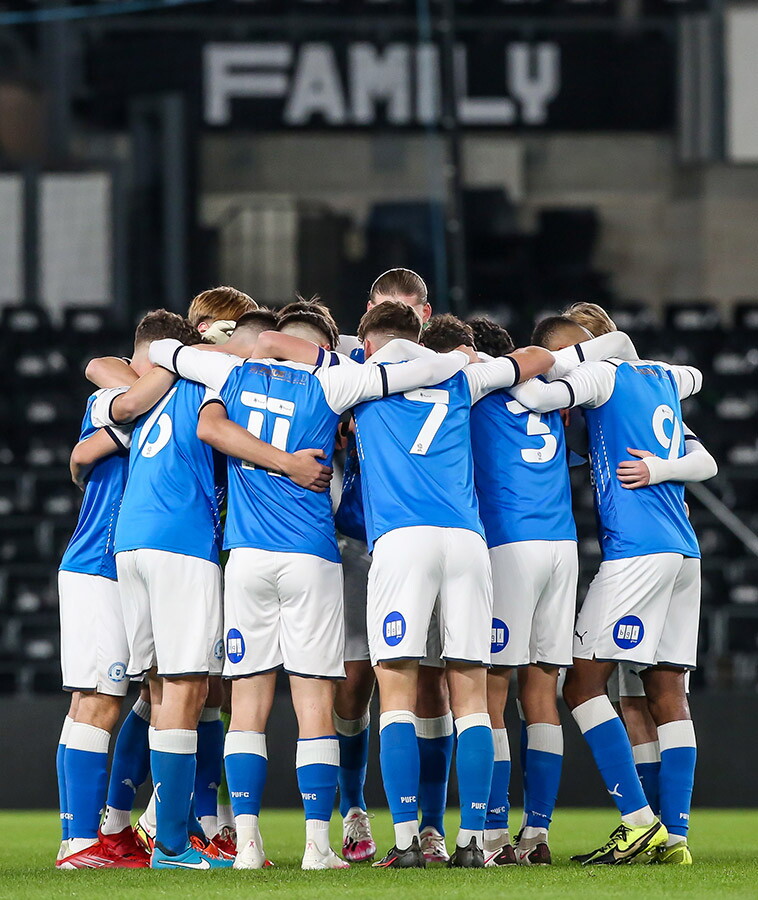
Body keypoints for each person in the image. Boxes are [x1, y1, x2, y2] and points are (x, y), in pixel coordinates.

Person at [147, 304, 470, 871]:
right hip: (311, 558)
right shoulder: (338, 380)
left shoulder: (231, 374)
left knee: (245, 706)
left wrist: (229, 347)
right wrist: (460, 356)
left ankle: (246, 847)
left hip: (246, 557)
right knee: (314, 705)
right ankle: (319, 847)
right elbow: (418, 372)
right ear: (323, 346)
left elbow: (159, 352)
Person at [89, 312, 329, 871]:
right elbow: (218, 427)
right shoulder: (219, 380)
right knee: (187, 690)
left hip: (132, 540)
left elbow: (104, 373)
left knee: (156, 691)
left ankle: (134, 824)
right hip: (182, 540)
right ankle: (171, 844)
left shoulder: (153, 384)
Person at [352, 302, 554, 869]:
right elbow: (537, 357)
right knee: (471, 697)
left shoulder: (363, 379)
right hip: (467, 543)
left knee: (396, 694)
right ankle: (472, 843)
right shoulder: (465, 375)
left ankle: (409, 840)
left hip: (403, 540)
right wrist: (466, 357)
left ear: (372, 342)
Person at [509, 338, 712, 864]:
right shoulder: (664, 379)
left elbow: (535, 398)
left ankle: (638, 820)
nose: (555, 362)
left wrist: (558, 362)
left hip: (638, 550)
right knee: (660, 690)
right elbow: (697, 391)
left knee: (579, 683)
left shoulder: (602, 376)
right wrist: (664, 468)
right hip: (683, 551)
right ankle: (676, 837)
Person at [55, 310, 203, 870]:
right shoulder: (114, 401)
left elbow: (83, 456)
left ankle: (98, 835)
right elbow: (119, 396)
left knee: (106, 699)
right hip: (99, 566)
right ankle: (78, 842)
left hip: (119, 568)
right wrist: (175, 359)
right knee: (98, 699)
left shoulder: (147, 398)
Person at [334, 269, 453, 863]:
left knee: (430, 680)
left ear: (425, 314)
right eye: (388, 308)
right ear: (370, 313)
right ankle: (355, 811)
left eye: (409, 309)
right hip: (356, 538)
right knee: (355, 681)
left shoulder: (452, 366)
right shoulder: (347, 365)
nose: (401, 319)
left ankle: (429, 826)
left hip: (418, 536)